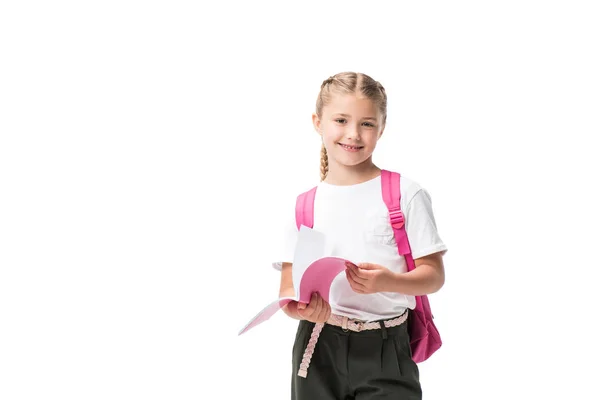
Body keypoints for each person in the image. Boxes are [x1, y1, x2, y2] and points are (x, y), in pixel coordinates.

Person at [272, 71, 448, 400]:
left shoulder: (404, 194)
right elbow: (287, 290)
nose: (353, 134)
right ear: (318, 122)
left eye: (367, 123)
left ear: (381, 128)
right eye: (341, 120)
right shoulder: (304, 205)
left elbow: (433, 276)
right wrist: (301, 310)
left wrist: (387, 282)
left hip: (386, 348)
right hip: (317, 347)